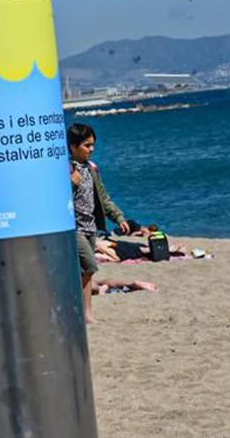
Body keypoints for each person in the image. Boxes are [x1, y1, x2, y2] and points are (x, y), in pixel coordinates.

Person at [68, 123, 131, 324]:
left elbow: (103, 198)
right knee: (89, 266)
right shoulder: (65, 169)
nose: (92, 149)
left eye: (93, 145)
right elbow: (52, 199)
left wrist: (119, 218)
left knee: (85, 272)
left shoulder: (92, 168)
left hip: (90, 228)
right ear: (73, 147)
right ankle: (83, 313)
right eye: (87, 145)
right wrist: (71, 182)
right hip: (73, 229)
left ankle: (85, 313)